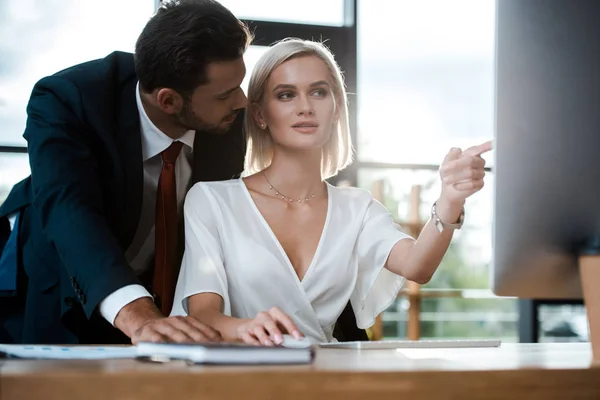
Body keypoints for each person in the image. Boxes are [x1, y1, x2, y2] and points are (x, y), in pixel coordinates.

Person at [170, 38, 493, 345]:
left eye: (319, 92)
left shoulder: (357, 208)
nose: (305, 107)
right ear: (259, 114)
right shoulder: (211, 201)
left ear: (337, 107)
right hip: (237, 378)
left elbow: (417, 267)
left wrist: (450, 197)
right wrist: (247, 328)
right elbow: (203, 314)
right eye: (286, 95)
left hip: (326, 376)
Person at [0, 0, 252, 345]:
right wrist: (137, 314)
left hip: (165, 305)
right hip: (67, 287)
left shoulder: (226, 117)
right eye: (226, 94)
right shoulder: (67, 99)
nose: (241, 101)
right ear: (168, 101)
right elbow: (69, 210)